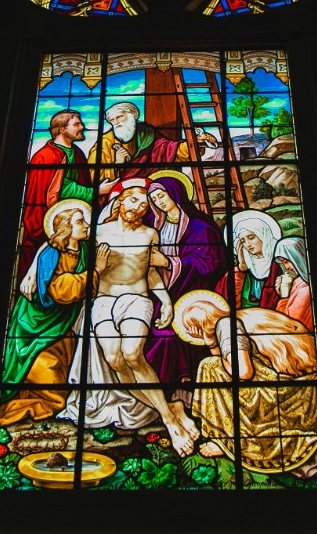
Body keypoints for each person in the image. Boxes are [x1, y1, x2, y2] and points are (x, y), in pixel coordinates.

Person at [57, 179, 200, 457]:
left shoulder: (150, 234)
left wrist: (165, 301)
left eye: (144, 204)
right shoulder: (98, 232)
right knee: (114, 359)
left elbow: (150, 272)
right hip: (103, 300)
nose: (139, 207)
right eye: (134, 199)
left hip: (137, 299)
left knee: (132, 353)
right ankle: (169, 409)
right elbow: (62, 245)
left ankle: (170, 422)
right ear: (120, 201)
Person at [174, 290, 317, 477]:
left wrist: (211, 346)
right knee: (215, 365)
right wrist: (211, 344)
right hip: (285, 383)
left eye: (192, 327)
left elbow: (243, 372)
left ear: (200, 324)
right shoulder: (230, 321)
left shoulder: (226, 326)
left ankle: (228, 441)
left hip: (278, 390)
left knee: (209, 366)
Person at [0, 199, 97, 426]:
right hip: (35, 324)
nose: (85, 225)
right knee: (48, 376)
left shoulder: (84, 249)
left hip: (62, 322)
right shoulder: (51, 254)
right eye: (80, 222)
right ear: (66, 228)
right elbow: (58, 291)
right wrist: (95, 272)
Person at [141, 170, 227, 393]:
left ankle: (177, 389)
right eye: (154, 199)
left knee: (167, 337)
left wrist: (169, 262)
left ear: (176, 194)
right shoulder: (153, 224)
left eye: (162, 196)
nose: (159, 202)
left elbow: (211, 262)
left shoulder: (200, 226)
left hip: (190, 291)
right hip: (158, 289)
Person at [88, 101, 219, 196]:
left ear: (133, 115)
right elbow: (94, 177)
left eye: (119, 117)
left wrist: (195, 142)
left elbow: (170, 150)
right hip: (122, 194)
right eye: (112, 120)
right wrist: (117, 165)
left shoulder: (148, 134)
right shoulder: (105, 143)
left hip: (152, 189)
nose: (116, 122)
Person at [20, 109, 93, 272]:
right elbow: (59, 188)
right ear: (62, 129)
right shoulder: (45, 156)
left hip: (76, 222)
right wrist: (94, 192)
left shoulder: (77, 153)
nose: (82, 127)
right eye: (77, 124)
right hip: (48, 221)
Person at [215, 209, 284, 311]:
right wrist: (241, 270)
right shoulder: (240, 271)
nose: (247, 244)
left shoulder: (281, 265)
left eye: (251, 237)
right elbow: (224, 300)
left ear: (263, 235)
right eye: (243, 241)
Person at [272, 236, 313, 331]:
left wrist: (284, 298)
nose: (286, 267)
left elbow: (290, 324)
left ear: (297, 257)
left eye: (286, 261)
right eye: (283, 263)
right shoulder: (298, 281)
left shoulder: (304, 288)